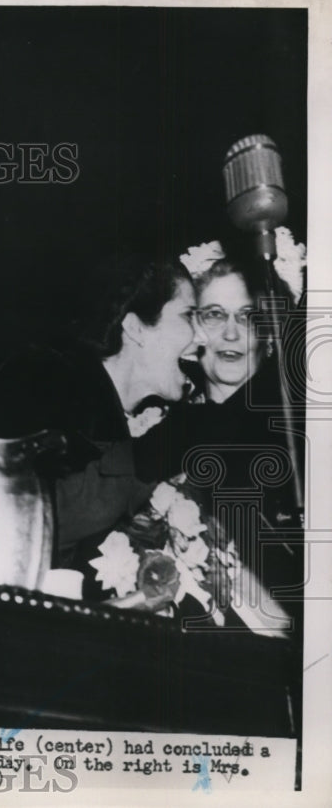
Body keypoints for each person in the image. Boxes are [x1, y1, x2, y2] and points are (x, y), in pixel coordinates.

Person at [0, 256, 205, 563]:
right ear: (135, 328)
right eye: (188, 316)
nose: (201, 337)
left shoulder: (129, 421)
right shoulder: (44, 380)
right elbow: (22, 520)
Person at [134, 254, 304, 601]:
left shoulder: (298, 437)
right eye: (214, 315)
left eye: (247, 317)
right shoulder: (158, 433)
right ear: (194, 330)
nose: (230, 332)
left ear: (268, 333)